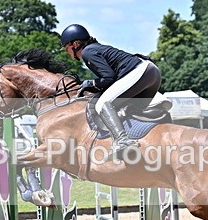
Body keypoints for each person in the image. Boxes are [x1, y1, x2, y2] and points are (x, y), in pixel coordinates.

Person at [61, 23, 162, 160]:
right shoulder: (95, 48)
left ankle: (122, 141)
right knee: (127, 110)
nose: (68, 54)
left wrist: (90, 83)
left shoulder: (87, 52)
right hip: (152, 73)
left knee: (102, 104)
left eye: (67, 48)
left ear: (75, 44)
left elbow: (109, 77)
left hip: (139, 72)